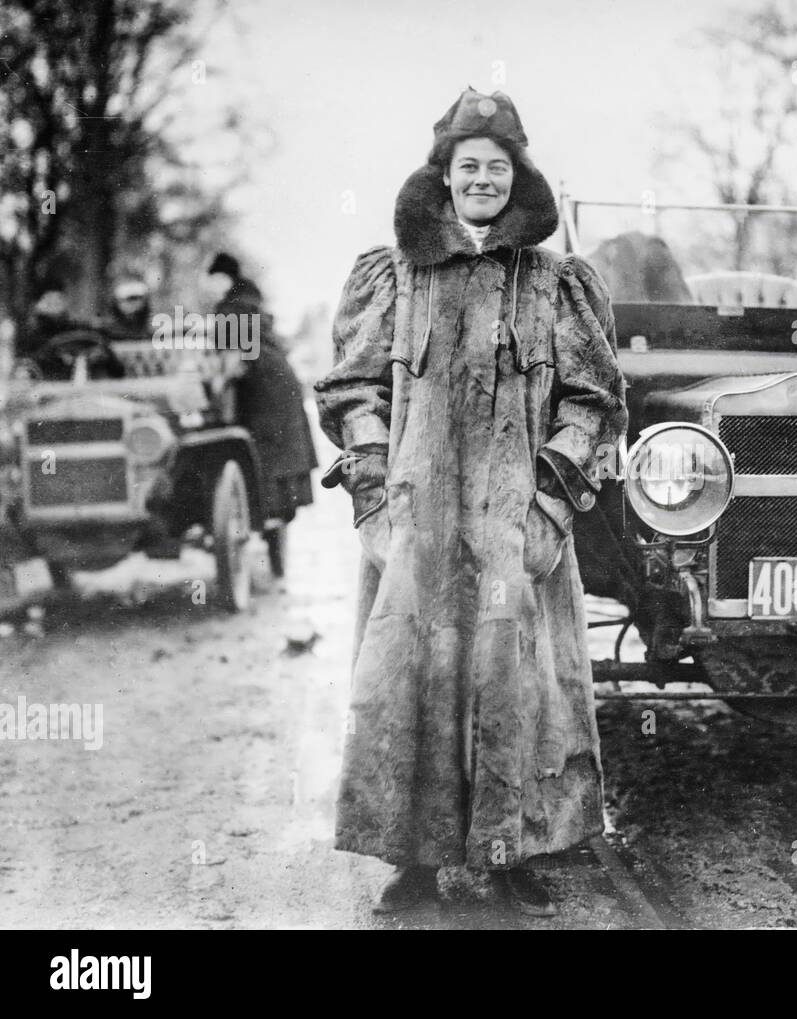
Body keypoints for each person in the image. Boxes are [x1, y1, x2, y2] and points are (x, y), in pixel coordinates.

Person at [314, 87, 628, 917]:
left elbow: (593, 401)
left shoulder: (556, 283)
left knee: (519, 685)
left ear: (517, 180)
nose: (482, 179)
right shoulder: (396, 276)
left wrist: (548, 509)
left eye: (497, 166)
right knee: (406, 684)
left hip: (513, 532)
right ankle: (411, 861)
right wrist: (377, 499)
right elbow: (351, 391)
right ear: (444, 179)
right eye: (467, 167)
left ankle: (511, 853)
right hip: (416, 530)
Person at [207, 253, 316, 521]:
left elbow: (233, 358)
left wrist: (215, 388)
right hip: (279, 378)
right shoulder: (249, 301)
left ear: (222, 278)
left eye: (210, 279)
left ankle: (263, 512)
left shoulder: (231, 308)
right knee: (276, 446)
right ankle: (275, 512)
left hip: (262, 384)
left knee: (263, 444)